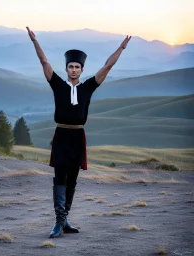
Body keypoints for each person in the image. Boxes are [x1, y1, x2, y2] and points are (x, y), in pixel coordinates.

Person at [26, 26, 131, 238]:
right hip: (62, 135)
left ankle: (64, 220)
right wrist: (35, 42)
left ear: (82, 70)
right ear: (66, 69)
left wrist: (121, 47)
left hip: (77, 136)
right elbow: (44, 63)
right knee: (59, 178)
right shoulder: (58, 85)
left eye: (77, 67)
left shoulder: (88, 88)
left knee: (73, 180)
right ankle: (58, 222)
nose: (74, 70)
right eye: (70, 67)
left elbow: (107, 66)